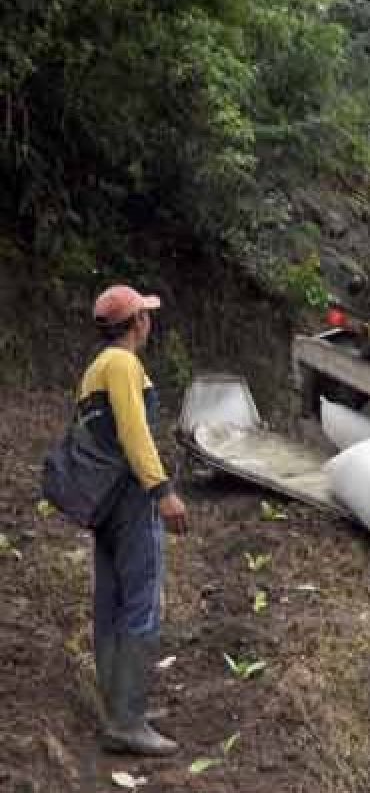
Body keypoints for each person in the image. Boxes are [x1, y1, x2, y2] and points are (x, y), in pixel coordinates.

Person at [82, 284, 188, 755]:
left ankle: (118, 705)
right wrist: (161, 490)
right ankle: (127, 720)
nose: (150, 323)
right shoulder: (124, 365)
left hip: (102, 501)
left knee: (111, 601)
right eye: (146, 316)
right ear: (138, 323)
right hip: (129, 499)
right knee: (142, 602)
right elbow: (133, 431)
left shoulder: (95, 369)